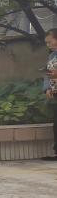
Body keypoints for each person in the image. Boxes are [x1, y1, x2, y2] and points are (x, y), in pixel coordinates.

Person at [42, 28, 57, 161]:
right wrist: (47, 88)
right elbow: (48, 73)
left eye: (50, 42)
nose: (48, 45)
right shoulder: (51, 56)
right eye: (47, 43)